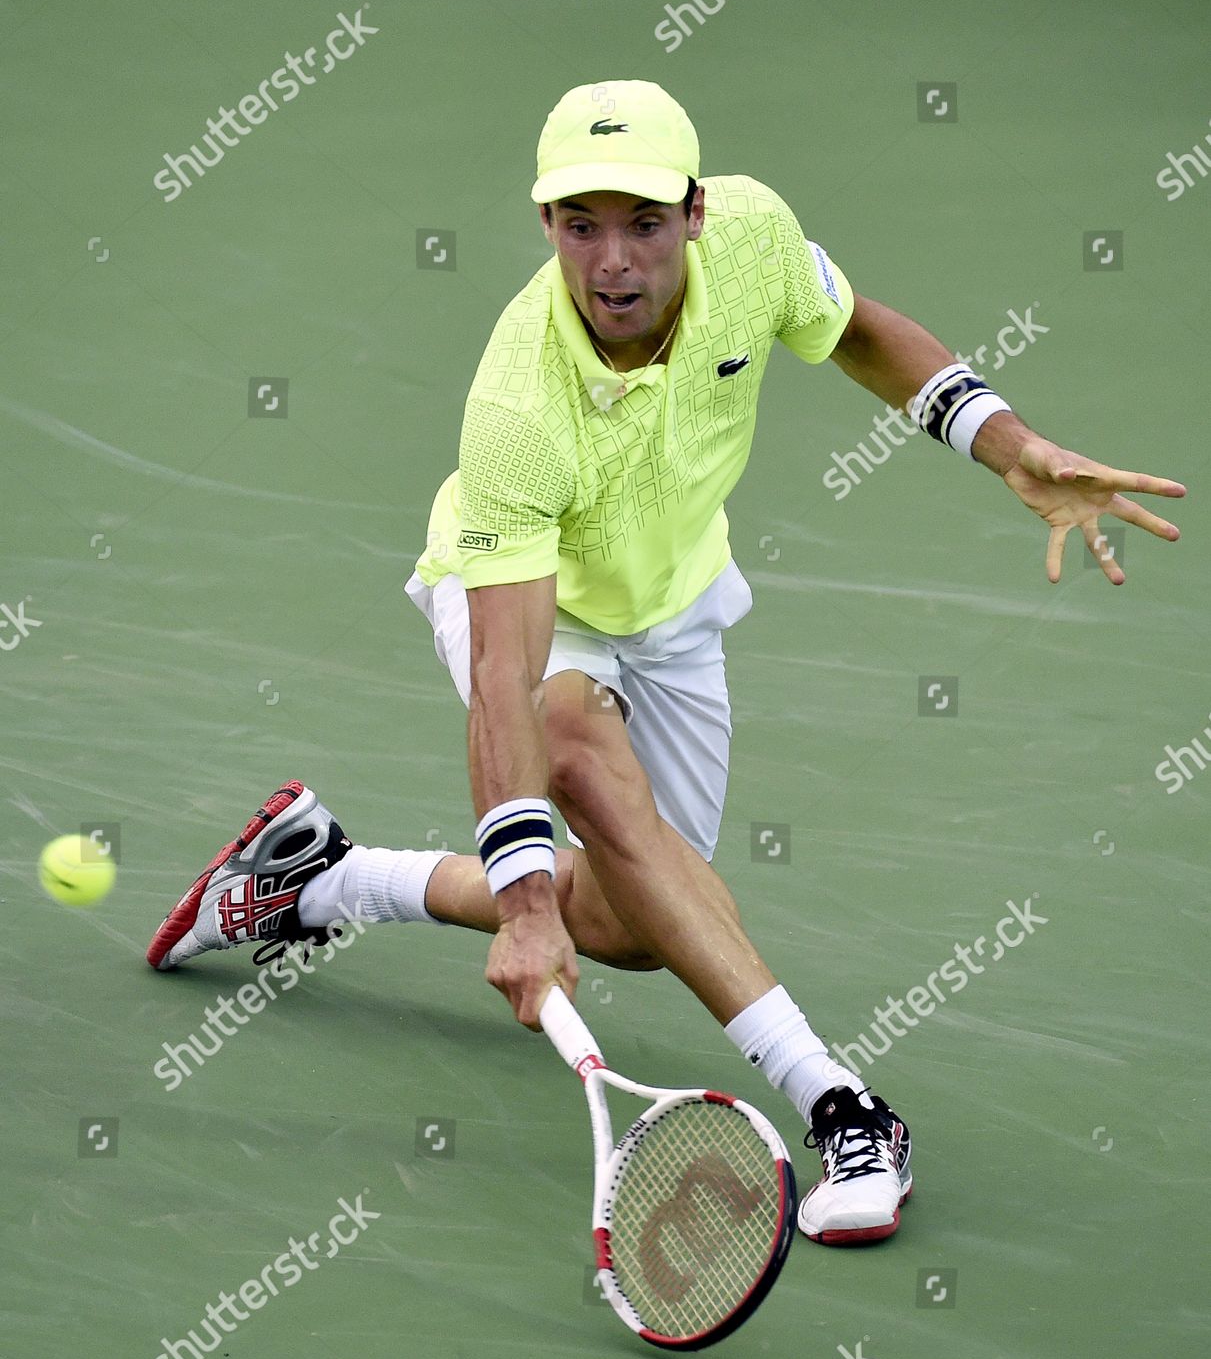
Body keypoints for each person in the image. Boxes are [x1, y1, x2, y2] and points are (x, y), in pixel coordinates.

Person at [147, 81, 1185, 1245]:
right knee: (580, 761)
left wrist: (1005, 446)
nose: (611, 260)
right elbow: (505, 679)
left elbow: (860, 334)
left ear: (694, 213)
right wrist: (523, 901)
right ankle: (841, 1105)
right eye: (578, 223)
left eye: (641, 221)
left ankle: (321, 879)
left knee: (637, 920)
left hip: (677, 604)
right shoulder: (517, 409)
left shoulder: (753, 241)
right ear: (546, 229)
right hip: (531, 606)